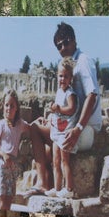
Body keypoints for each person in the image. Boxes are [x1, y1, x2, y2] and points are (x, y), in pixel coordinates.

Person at [28, 22, 102, 194]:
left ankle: (43, 184)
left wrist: (78, 129)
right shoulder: (70, 64)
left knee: (34, 129)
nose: (62, 47)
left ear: (74, 40)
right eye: (58, 46)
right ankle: (53, 187)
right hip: (76, 128)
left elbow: (92, 95)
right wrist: (51, 119)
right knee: (46, 152)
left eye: (65, 42)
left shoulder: (82, 61)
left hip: (83, 131)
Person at [0, 89, 30, 210]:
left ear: (16, 108)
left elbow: (31, 127)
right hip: (2, 165)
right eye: (6, 105)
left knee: (9, 200)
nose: (9, 108)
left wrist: (40, 122)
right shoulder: (1, 124)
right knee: (2, 199)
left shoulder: (20, 124)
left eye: (12, 105)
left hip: (13, 166)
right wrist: (3, 154)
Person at [46, 57, 78, 199]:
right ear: (57, 76)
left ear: (70, 78)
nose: (63, 79)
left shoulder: (70, 93)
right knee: (55, 160)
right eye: (60, 76)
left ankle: (69, 188)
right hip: (57, 131)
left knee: (65, 160)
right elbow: (57, 109)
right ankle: (57, 188)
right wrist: (52, 109)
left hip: (66, 132)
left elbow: (71, 109)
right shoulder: (59, 92)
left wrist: (58, 108)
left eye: (66, 76)